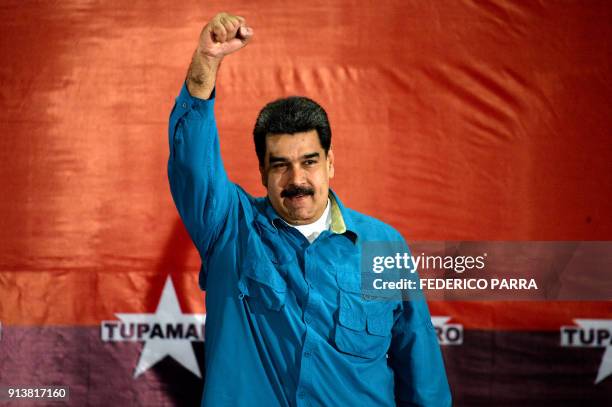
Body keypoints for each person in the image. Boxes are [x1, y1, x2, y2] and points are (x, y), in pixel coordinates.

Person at [168, 12, 451, 407]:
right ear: (263, 171)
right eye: (280, 164)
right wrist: (205, 64)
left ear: (331, 163)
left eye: (310, 161)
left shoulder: (383, 245)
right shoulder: (230, 230)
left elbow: (422, 371)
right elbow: (192, 162)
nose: (296, 178)